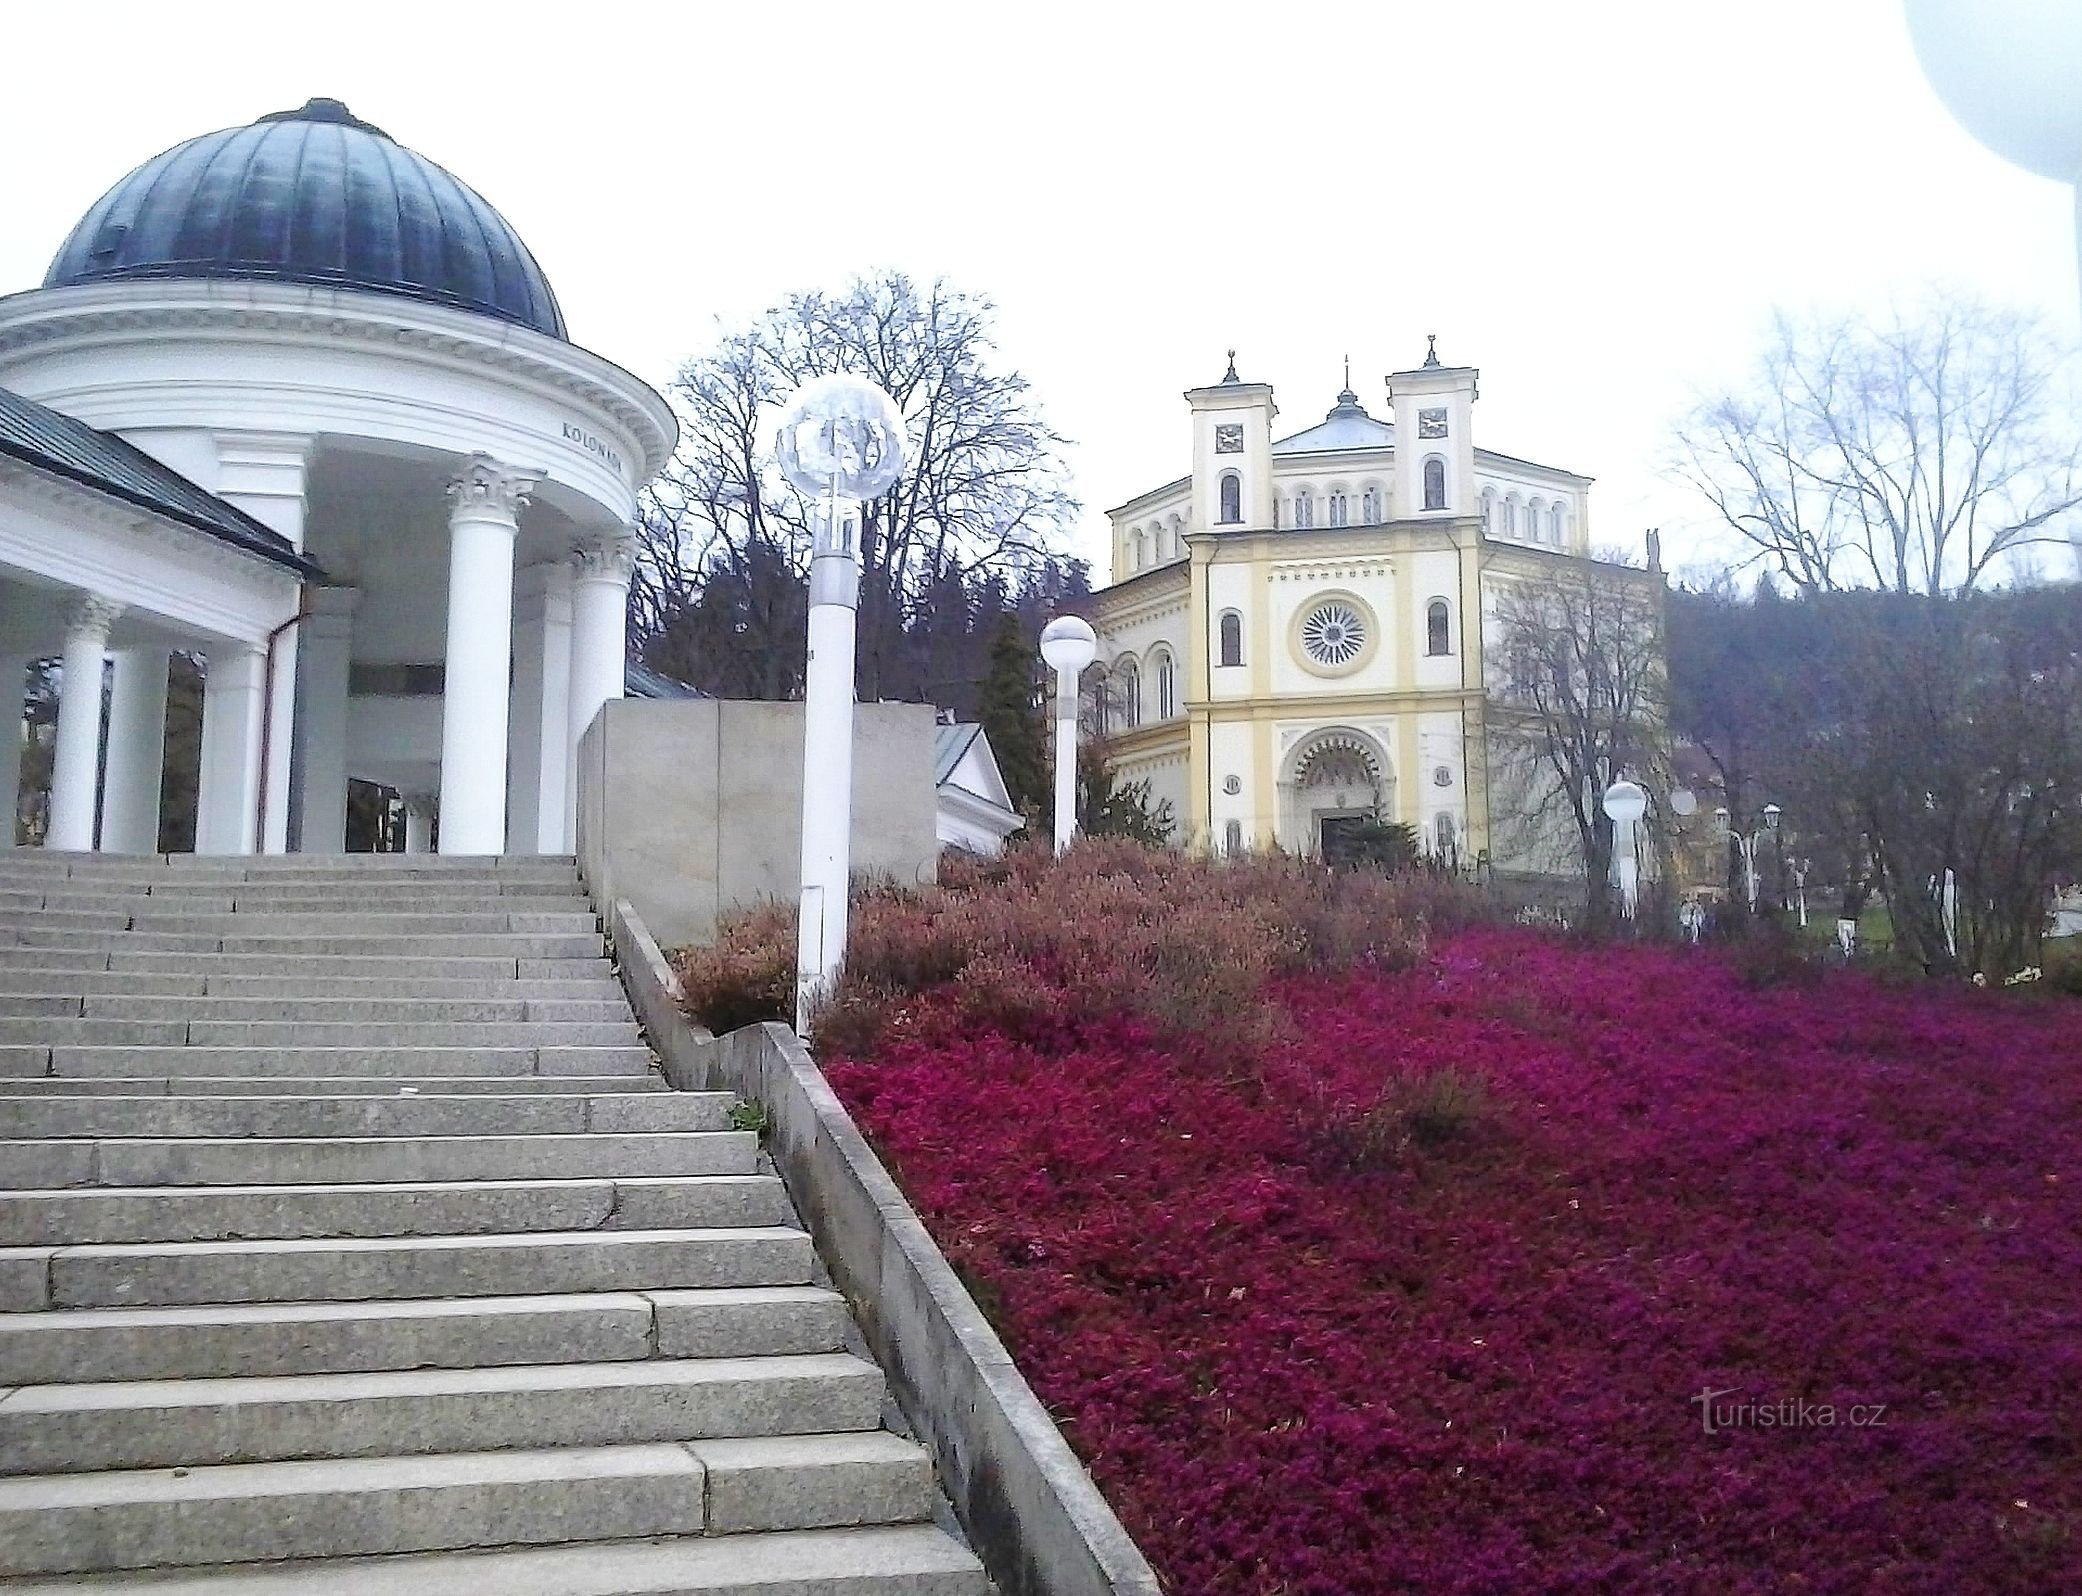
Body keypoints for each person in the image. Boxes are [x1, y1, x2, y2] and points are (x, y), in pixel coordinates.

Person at [1837, 877, 1869, 960]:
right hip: (1848, 920)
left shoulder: (1851, 900)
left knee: (1846, 942)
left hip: (1846, 920)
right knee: (1849, 942)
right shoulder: (1855, 901)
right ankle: (1848, 958)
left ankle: (1848, 958)